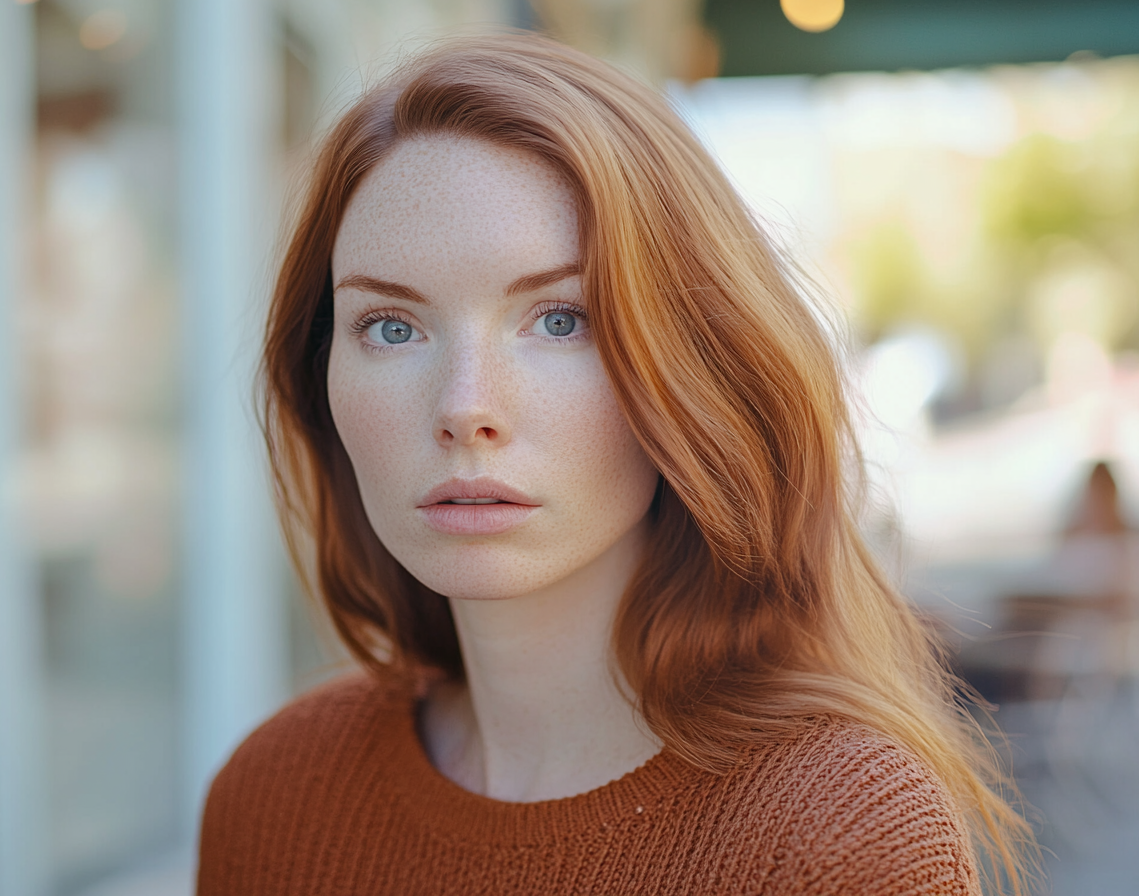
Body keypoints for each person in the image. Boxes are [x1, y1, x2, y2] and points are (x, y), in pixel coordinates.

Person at [197, 32, 1036, 895]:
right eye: (392, 326)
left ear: (695, 367)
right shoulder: (275, 798)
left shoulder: (837, 837)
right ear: (319, 374)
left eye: (561, 319)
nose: (464, 408)